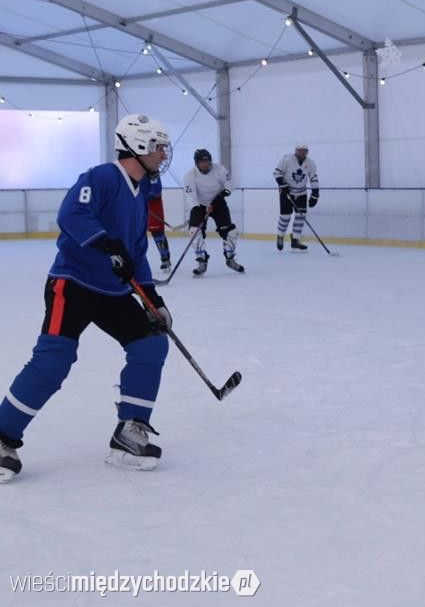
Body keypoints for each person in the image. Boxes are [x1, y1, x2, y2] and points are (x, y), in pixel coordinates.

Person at [0, 114, 173, 482]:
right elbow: (72, 213)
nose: (162, 155)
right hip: (74, 284)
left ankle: (129, 433)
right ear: (138, 146)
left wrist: (153, 299)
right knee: (54, 361)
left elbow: (136, 252)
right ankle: (2, 437)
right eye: (158, 147)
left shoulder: (142, 193)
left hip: (113, 292)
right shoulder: (102, 176)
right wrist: (105, 244)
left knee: (151, 346)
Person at [183, 149, 243, 276]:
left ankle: (230, 258)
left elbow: (230, 183)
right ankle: (202, 261)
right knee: (194, 232)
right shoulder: (190, 176)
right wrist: (197, 207)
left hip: (218, 203)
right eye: (202, 162)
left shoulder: (219, 169)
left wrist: (225, 191)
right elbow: (190, 195)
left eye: (207, 161)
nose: (206, 164)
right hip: (200, 206)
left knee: (231, 232)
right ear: (197, 163)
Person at [273, 144, 319, 251]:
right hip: (287, 192)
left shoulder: (310, 163)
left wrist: (315, 194)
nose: (303, 152)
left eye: (305, 151)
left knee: (300, 216)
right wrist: (282, 185)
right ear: (296, 150)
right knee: (285, 217)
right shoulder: (287, 159)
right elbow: (277, 172)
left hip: (301, 193)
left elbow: (313, 178)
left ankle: (295, 240)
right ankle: (280, 236)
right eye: (301, 150)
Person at [146, 178, 172, 272]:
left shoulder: (152, 171)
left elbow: (156, 189)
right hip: (136, 203)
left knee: (157, 232)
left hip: (152, 204)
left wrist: (147, 197)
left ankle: (165, 257)